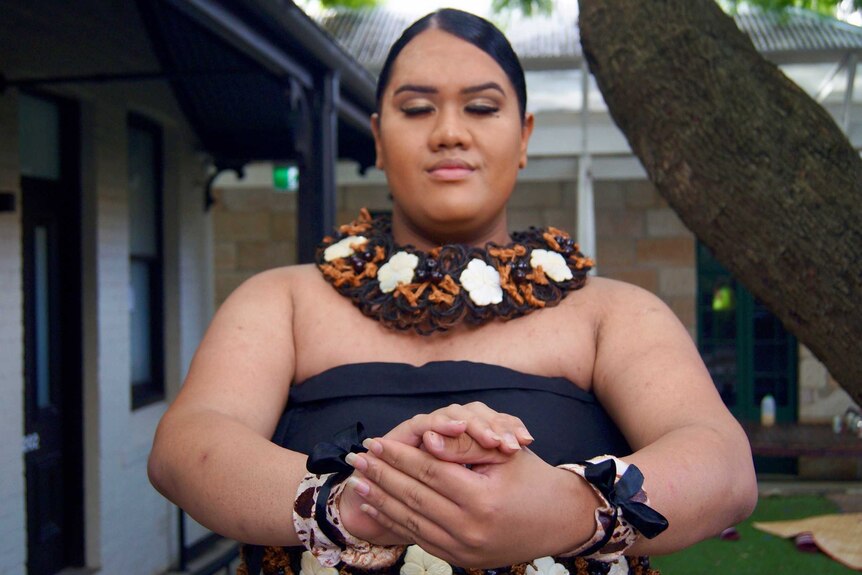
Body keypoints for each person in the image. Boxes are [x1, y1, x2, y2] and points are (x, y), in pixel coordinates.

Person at [147, 8, 757, 575]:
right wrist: (363, 501)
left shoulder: (613, 313)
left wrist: (568, 509)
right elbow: (188, 445)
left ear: (523, 137)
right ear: (379, 138)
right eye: (416, 109)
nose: (448, 133)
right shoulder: (281, 301)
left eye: (482, 108)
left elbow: (724, 465)